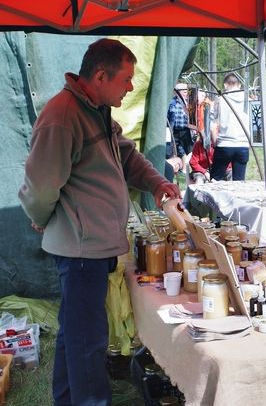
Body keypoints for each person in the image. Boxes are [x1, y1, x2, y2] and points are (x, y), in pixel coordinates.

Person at [18, 38, 180, 405]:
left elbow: (125, 156)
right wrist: (42, 218)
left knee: (74, 336)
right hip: (79, 250)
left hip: (91, 246)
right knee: (88, 341)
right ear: (101, 75)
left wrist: (157, 182)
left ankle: (66, 399)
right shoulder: (63, 115)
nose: (130, 86)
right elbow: (41, 186)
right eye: (125, 78)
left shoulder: (96, 110)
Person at [210, 73, 250, 181]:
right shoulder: (249, 100)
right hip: (243, 144)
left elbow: (213, 125)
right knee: (239, 182)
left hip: (225, 144)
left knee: (216, 180)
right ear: (239, 85)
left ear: (225, 85)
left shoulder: (220, 100)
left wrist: (215, 143)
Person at [167, 82, 194, 159]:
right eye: (185, 92)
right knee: (176, 150)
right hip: (175, 131)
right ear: (178, 92)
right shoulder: (172, 103)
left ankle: (189, 167)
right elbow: (168, 116)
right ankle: (179, 167)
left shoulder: (189, 103)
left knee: (189, 150)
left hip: (186, 130)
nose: (187, 94)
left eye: (187, 92)